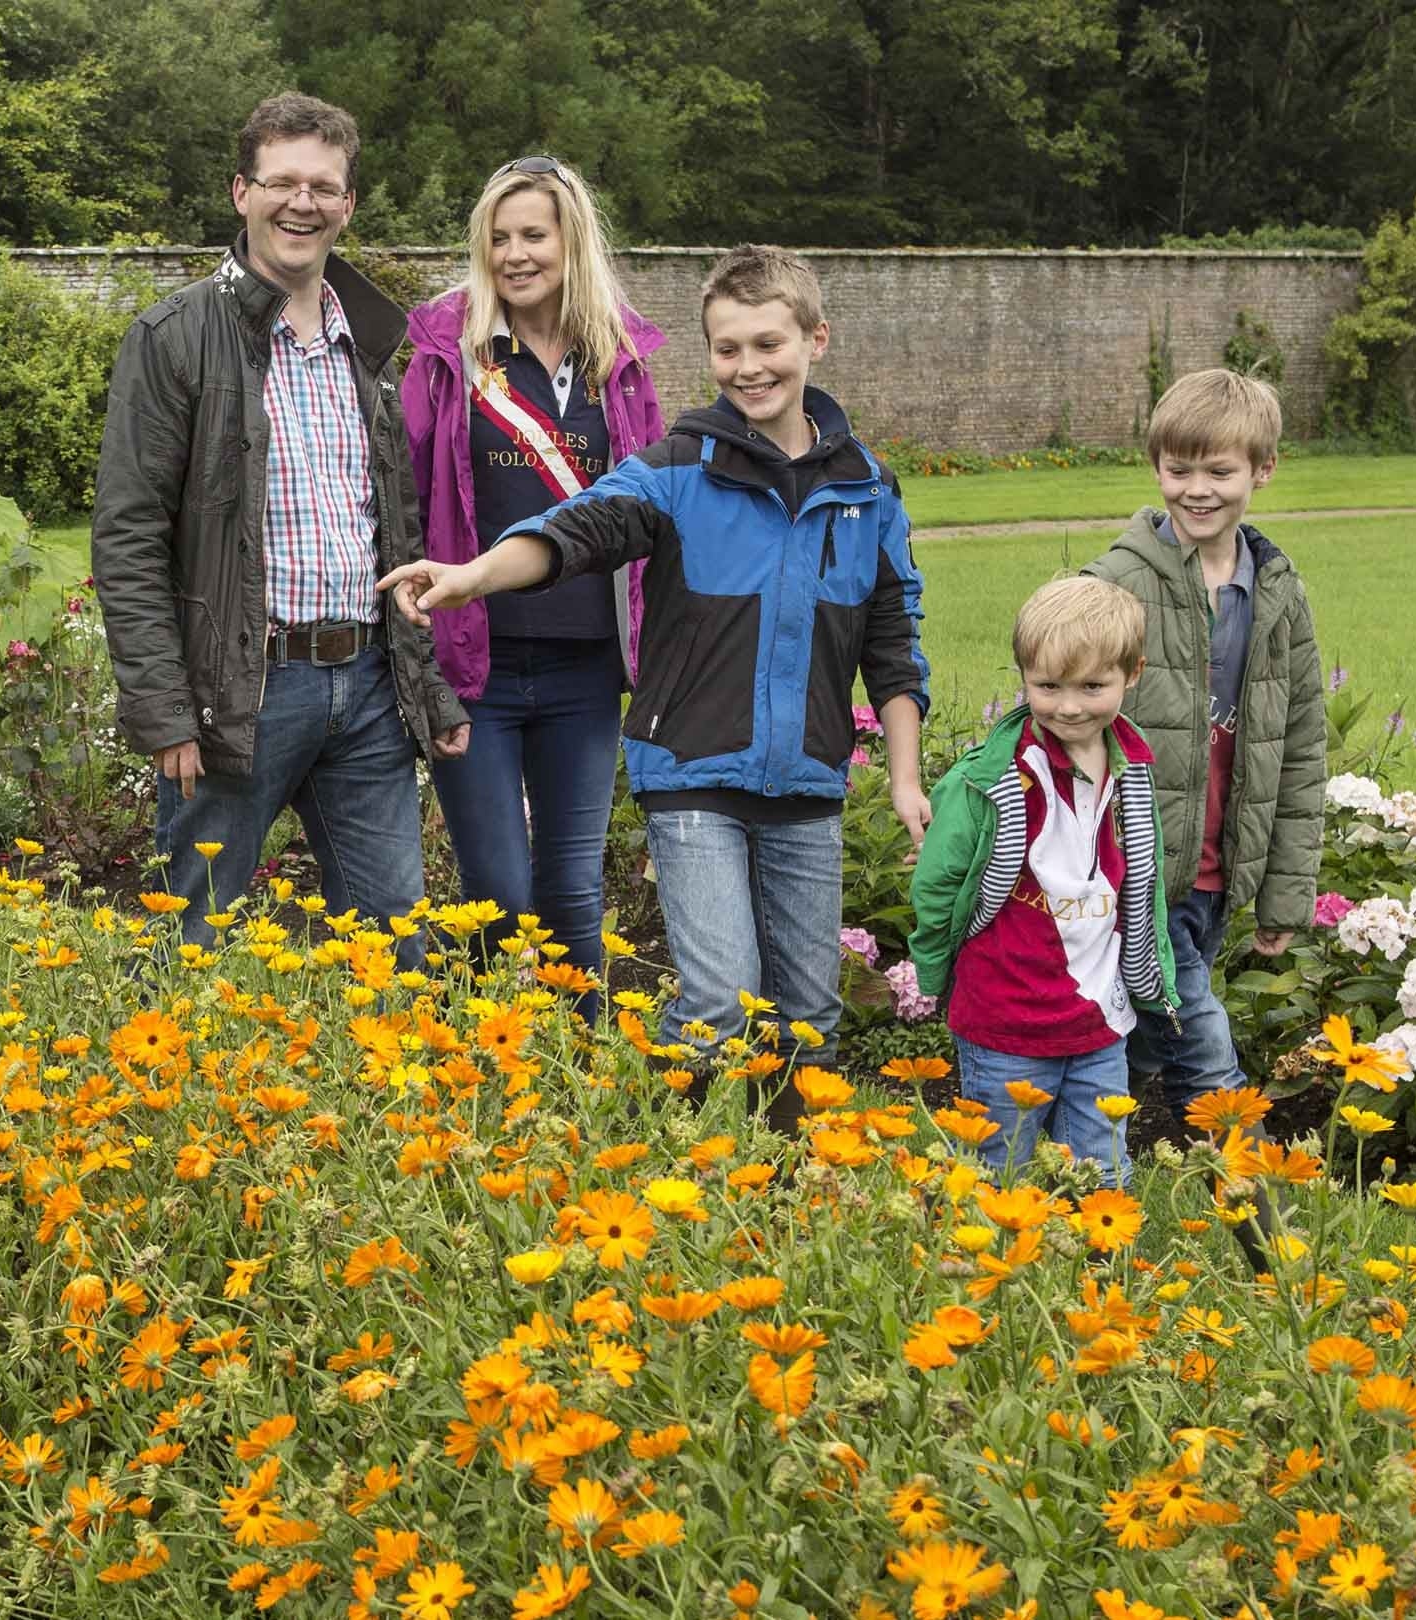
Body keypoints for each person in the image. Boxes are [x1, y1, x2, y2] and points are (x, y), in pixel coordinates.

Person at [379, 244, 929, 1055]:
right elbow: (571, 533)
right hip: (693, 775)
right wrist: (473, 577)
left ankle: (782, 1175)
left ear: (816, 340)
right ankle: (672, 1141)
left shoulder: (869, 490)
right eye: (727, 348)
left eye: (768, 345)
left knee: (809, 1022)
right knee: (717, 1011)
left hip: (808, 783)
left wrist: (909, 778)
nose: (748, 368)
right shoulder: (676, 472)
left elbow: (894, 641)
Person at [91, 92, 469, 953]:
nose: (303, 202)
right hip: (240, 693)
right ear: (241, 193)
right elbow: (128, 534)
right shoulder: (173, 338)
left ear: (347, 205)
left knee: (395, 945)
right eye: (283, 181)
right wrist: (161, 705)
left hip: (368, 686)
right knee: (195, 940)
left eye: (324, 186)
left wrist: (423, 683)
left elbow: (391, 530)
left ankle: (385, 1089)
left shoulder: (367, 344)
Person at [399, 156, 667, 986]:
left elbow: (654, 502)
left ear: (570, 242)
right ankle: (485, 1058)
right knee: (500, 897)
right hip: (475, 661)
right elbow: (405, 491)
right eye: (499, 237)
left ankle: (578, 1066)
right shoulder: (451, 353)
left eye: (534, 235)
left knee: (573, 894)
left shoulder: (617, 362)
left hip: (585, 666)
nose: (516, 254)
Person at [1083, 368, 1324, 1101]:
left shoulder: (1278, 594)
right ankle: (1250, 1201)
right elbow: (1056, 710)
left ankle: (1080, 1162)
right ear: (1155, 465)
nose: (1196, 489)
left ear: (1263, 470)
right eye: (1177, 468)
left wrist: (1284, 898)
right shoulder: (1117, 583)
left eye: (1219, 471)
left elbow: (1303, 750)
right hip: (1136, 872)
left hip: (1219, 872)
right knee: (1206, 1052)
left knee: (1137, 1045)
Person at [908, 577, 1176, 1184]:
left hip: (1099, 1021)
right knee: (996, 1168)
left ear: (1132, 674)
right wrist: (933, 970)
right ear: (1023, 674)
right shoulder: (987, 782)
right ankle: (981, 1268)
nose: (1069, 706)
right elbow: (937, 884)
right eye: (1047, 686)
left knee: (1101, 1173)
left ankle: (1097, 1272)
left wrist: (1152, 974)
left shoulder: (1132, 775)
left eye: (1093, 687)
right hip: (1006, 1017)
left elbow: (1143, 885)